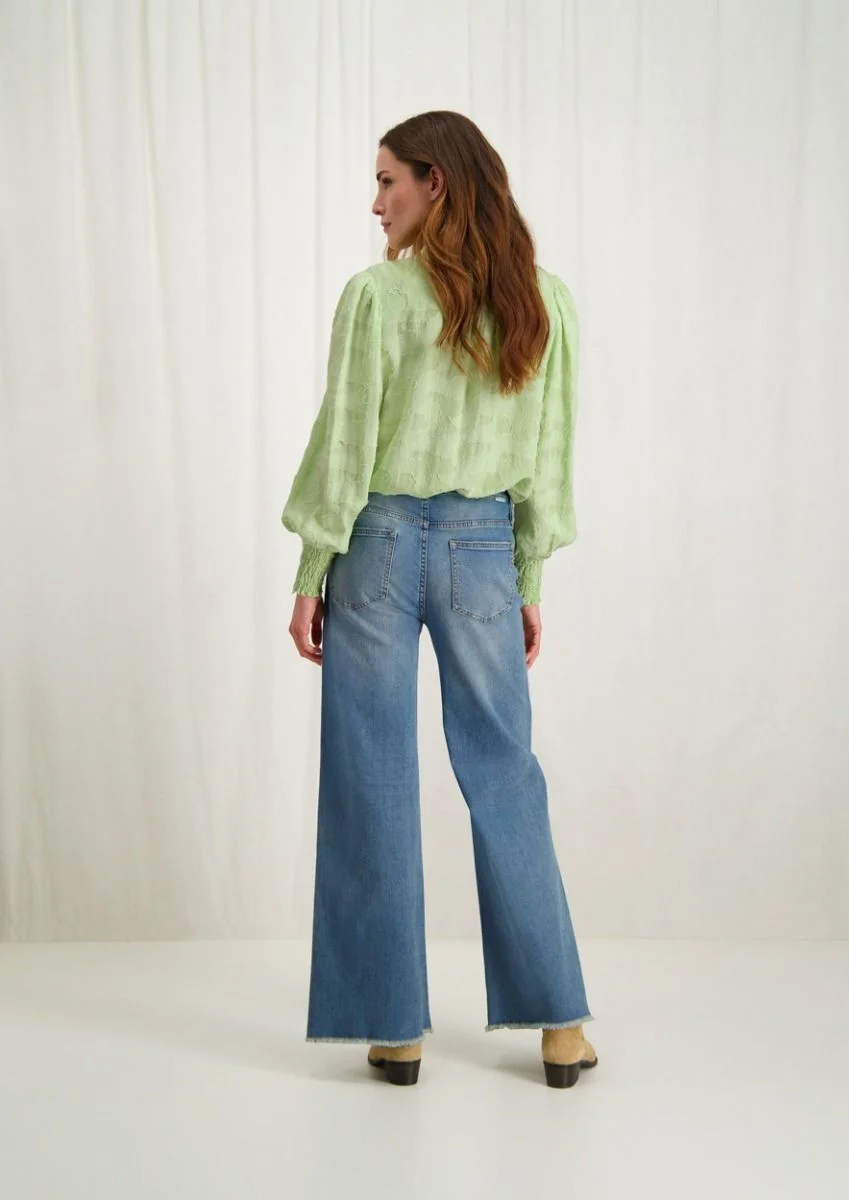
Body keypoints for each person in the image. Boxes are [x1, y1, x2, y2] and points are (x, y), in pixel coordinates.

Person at [281, 110, 597, 1089]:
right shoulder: (542, 301)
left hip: (375, 543)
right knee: (506, 773)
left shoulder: (378, 297)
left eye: (388, 181)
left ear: (437, 183)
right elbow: (548, 456)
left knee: (370, 775)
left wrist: (312, 569)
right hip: (482, 549)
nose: (376, 203)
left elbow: (346, 445)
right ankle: (561, 1025)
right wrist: (526, 576)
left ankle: (394, 1027)